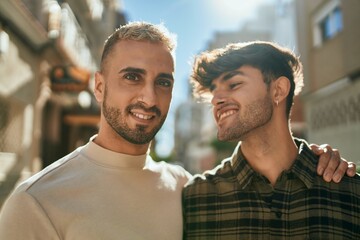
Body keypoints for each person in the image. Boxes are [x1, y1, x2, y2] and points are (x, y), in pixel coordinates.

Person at [0, 22, 354, 240]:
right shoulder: (34, 203)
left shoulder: (186, 189)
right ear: (99, 86)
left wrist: (322, 160)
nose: (149, 97)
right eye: (132, 76)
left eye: (163, 82)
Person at [182, 41, 360, 239]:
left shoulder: (352, 193)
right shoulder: (195, 199)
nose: (216, 100)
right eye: (214, 92)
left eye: (234, 84)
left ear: (278, 90)